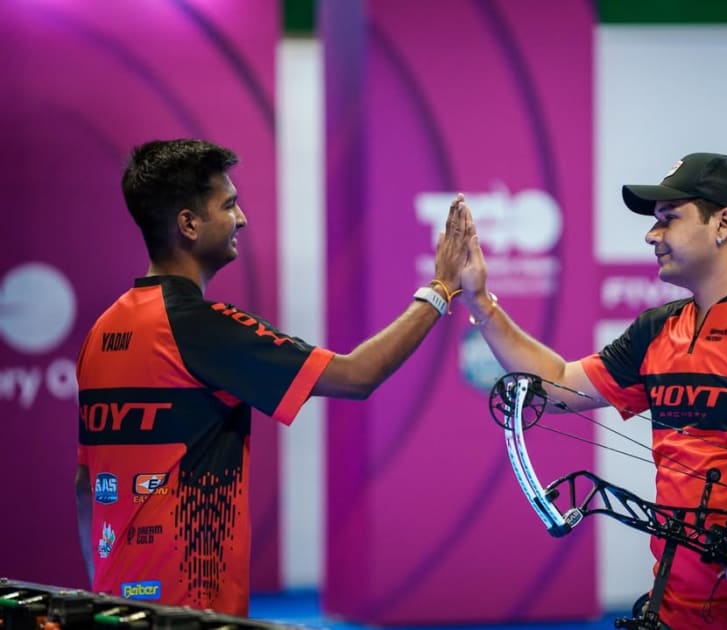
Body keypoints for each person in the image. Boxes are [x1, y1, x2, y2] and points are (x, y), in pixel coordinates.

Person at [457, 152, 727, 628]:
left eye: (669, 220)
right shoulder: (658, 329)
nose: (652, 235)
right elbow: (559, 386)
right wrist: (480, 301)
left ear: (724, 224)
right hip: (672, 612)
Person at [75, 139, 471, 616]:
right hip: (192, 615)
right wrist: (442, 288)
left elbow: (84, 485)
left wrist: (102, 592)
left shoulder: (102, 332)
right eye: (229, 205)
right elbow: (356, 376)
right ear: (188, 224)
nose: (240, 219)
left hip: (112, 606)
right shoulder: (201, 327)